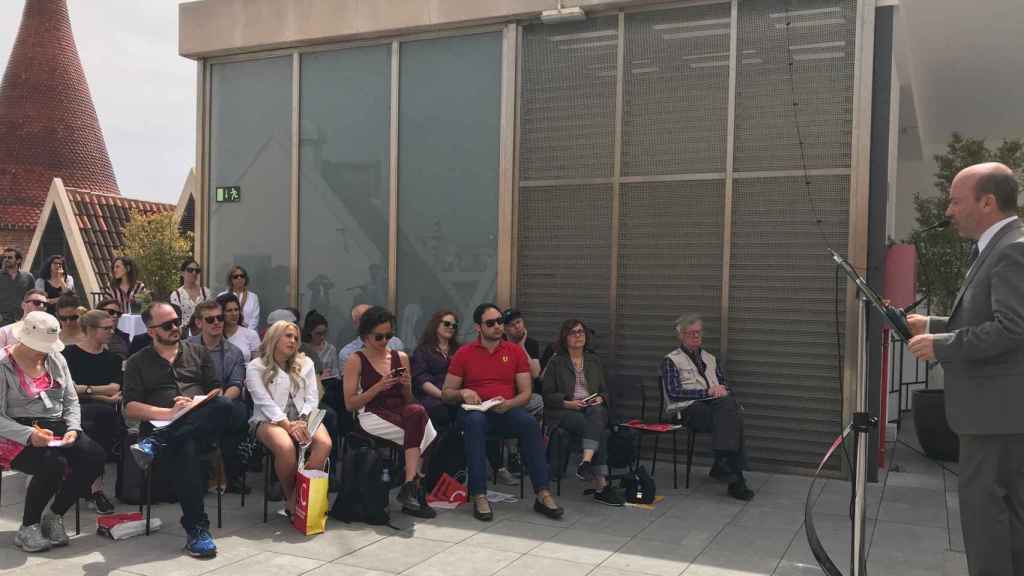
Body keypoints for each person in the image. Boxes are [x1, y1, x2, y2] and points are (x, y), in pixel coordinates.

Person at [906, 162, 1024, 576]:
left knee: (987, 524)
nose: (948, 210)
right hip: (996, 417)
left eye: (956, 201)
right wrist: (935, 324)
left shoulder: (1012, 248)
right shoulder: (999, 246)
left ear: (987, 202)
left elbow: (1013, 330)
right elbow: (988, 318)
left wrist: (941, 345)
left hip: (995, 419)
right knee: (1002, 524)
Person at [123, 301, 234, 559]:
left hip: (198, 425)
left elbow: (215, 390)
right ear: (151, 331)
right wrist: (169, 413)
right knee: (186, 448)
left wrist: (193, 405)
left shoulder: (198, 353)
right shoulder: (137, 362)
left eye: (177, 321)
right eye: (167, 325)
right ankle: (197, 529)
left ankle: (158, 442)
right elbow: (130, 408)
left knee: (225, 403)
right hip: (165, 427)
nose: (175, 327)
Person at [442, 303, 564, 522]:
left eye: (499, 321)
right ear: (478, 327)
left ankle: (543, 494)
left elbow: (526, 393)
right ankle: (479, 494)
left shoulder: (514, 351)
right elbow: (447, 393)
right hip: (473, 412)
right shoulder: (464, 353)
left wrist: (509, 403)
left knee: (528, 424)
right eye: (491, 323)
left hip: (503, 409)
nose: (498, 326)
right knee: (476, 422)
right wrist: (463, 392)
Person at [0, 311, 106, 553]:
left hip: (55, 423)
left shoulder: (56, 358)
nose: (45, 350)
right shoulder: (2, 364)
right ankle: (28, 526)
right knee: (52, 464)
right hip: (13, 430)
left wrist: (73, 428)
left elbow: (70, 400)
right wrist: (28, 435)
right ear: (23, 339)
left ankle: (55, 514)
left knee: (95, 456)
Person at [343, 306, 436, 518]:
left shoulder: (400, 357)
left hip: (400, 411)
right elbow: (350, 404)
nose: (385, 341)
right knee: (427, 435)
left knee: (418, 411)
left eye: (389, 335)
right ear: (365, 336)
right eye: (379, 337)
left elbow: (409, 400)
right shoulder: (355, 360)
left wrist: (405, 385)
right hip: (371, 413)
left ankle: (409, 483)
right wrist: (378, 387)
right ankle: (413, 489)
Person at [661, 314, 753, 501]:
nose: (696, 336)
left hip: (713, 409)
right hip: (686, 410)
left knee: (729, 408)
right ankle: (731, 472)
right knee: (731, 415)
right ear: (681, 336)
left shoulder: (710, 358)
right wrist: (707, 393)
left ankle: (729, 469)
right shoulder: (671, 360)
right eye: (691, 333)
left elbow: (724, 385)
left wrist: (723, 391)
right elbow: (673, 392)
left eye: (698, 332)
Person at [247, 321, 332, 518]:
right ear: (274, 338)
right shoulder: (256, 366)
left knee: (324, 443)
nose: (293, 341)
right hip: (268, 420)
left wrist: (302, 420)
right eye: (287, 336)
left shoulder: (306, 363)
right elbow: (263, 402)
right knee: (285, 447)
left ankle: (299, 496)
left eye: (296, 338)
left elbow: (312, 397)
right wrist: (287, 425)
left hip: (303, 417)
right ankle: (291, 497)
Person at [542, 319, 624, 506]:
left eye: (581, 332)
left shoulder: (594, 360)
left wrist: (600, 398)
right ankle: (601, 485)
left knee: (596, 414)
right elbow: (547, 395)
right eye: (573, 332)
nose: (578, 335)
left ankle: (587, 463)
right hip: (565, 411)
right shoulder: (556, 362)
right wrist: (569, 403)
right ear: (565, 337)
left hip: (591, 408)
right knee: (598, 430)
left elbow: (604, 390)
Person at [61, 309, 123, 515]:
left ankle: (91, 488)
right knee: (99, 417)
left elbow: (115, 389)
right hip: (71, 411)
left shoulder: (112, 358)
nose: (111, 332)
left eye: (112, 327)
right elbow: (67, 390)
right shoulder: (68, 354)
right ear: (89, 330)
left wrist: (84, 390)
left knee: (103, 419)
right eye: (106, 328)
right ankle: (92, 489)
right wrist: (99, 393)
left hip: (103, 414)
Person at [188, 300, 250, 494]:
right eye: (210, 319)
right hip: (191, 401)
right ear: (199, 323)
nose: (217, 322)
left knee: (236, 411)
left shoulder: (234, 352)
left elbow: (236, 385)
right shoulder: (185, 348)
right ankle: (218, 469)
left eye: (220, 318)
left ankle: (216, 469)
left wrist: (218, 401)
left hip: (222, 401)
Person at [411, 309, 461, 431]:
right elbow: (421, 379)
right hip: (432, 397)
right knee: (441, 411)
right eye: (447, 324)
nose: (451, 327)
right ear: (436, 324)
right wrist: (443, 396)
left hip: (457, 396)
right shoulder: (423, 350)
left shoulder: (460, 350)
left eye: (454, 325)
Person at [338, 304, 403, 367]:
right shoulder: (347, 353)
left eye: (374, 319)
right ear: (355, 324)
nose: (384, 341)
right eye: (365, 321)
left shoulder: (395, 343)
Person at [170, 259, 211, 337]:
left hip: (204, 332)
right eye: (190, 270)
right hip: (185, 334)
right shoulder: (176, 295)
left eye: (197, 270)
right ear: (182, 273)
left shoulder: (206, 292)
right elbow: (176, 318)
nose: (194, 273)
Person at [218, 293, 261, 362]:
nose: (234, 314)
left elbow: (257, 364)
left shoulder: (251, 335)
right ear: (221, 313)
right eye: (229, 310)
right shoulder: (215, 335)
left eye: (236, 309)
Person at [0, 247, 34, 327]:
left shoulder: (28, 277)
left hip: (21, 320)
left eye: (10, 257)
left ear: (18, 260)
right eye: (5, 257)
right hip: (2, 321)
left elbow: (32, 298)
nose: (6, 259)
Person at [220, 266, 260, 330]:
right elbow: (220, 316)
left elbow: (254, 319)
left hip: (248, 334)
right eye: (235, 276)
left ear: (245, 278)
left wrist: (245, 332)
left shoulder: (253, 297)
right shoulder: (222, 296)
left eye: (242, 276)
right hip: (227, 333)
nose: (239, 278)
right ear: (231, 279)